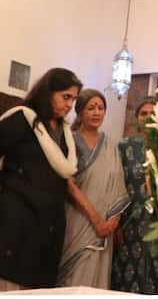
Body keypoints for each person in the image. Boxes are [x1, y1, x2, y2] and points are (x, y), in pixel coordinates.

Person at [0, 68, 82, 291]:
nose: (70, 105)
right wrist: (1, 186)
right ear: (48, 92)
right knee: (4, 284)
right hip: (14, 215)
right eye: (66, 97)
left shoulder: (65, 133)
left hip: (46, 222)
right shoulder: (22, 118)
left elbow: (63, 174)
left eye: (74, 99)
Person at [58, 89, 129, 288]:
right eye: (91, 108)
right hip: (78, 220)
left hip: (106, 228)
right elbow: (67, 184)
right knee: (74, 280)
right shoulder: (69, 140)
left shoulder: (111, 145)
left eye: (101, 108)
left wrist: (113, 221)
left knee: (98, 281)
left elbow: (119, 187)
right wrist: (96, 221)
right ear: (80, 112)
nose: (97, 113)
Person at [111, 96, 158, 294]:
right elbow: (116, 186)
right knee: (126, 274)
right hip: (129, 223)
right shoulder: (124, 147)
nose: (148, 117)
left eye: (153, 113)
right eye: (144, 113)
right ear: (136, 118)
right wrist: (116, 224)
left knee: (156, 272)